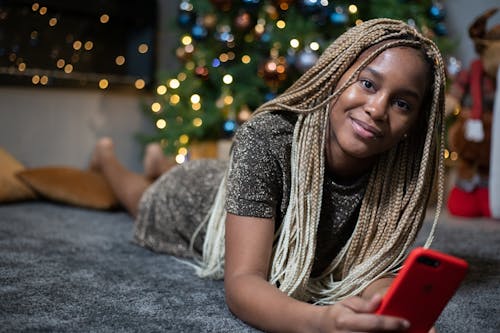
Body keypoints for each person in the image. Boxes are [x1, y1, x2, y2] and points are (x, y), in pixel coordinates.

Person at [90, 18, 446, 333]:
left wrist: (387, 308)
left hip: (244, 184)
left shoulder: (402, 173)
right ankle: (108, 159)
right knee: (142, 198)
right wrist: (320, 322)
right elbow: (244, 283)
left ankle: (161, 162)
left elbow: (376, 268)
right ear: (337, 74)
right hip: (194, 199)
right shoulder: (267, 137)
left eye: (402, 103)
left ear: (414, 124)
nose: (377, 109)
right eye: (368, 84)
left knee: (221, 178)